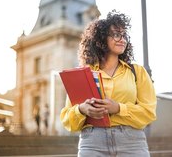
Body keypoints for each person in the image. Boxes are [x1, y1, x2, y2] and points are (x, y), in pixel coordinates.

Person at [60, 10, 157, 157]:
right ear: (101, 39)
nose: (122, 39)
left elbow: (149, 113)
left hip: (131, 143)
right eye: (116, 34)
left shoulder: (137, 72)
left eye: (124, 35)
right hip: (92, 143)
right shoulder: (83, 74)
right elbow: (68, 120)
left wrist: (118, 108)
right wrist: (81, 110)